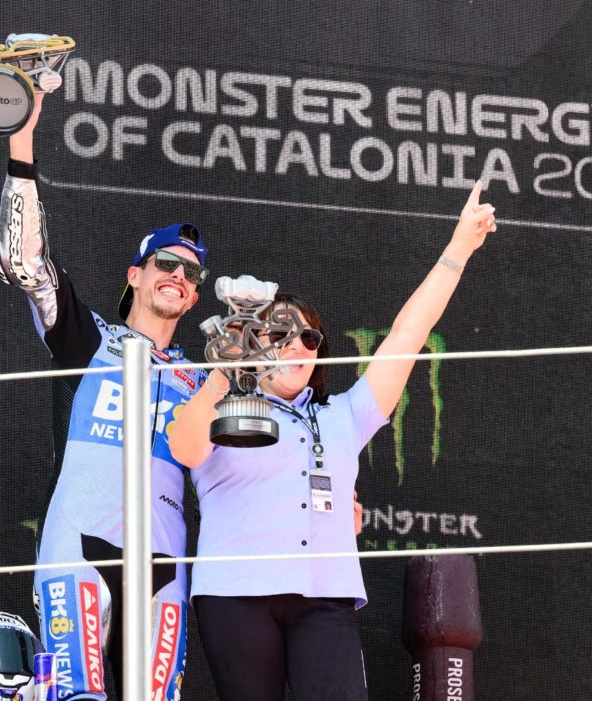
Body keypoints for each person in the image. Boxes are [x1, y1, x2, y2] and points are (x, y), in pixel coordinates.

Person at [168, 182, 497, 701]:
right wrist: (222, 376)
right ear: (253, 345)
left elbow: (407, 335)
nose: (297, 346)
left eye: (309, 338)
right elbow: (185, 451)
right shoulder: (223, 404)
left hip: (325, 597)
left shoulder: (345, 413)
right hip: (235, 593)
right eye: (280, 335)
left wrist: (459, 248)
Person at [0, 92, 208, 700]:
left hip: (163, 565)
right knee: (76, 696)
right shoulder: (89, 338)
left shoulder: (204, 379)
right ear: (135, 274)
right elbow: (24, 263)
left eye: (191, 274)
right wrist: (21, 140)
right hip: (77, 546)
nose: (179, 275)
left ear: (194, 298)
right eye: (166, 262)